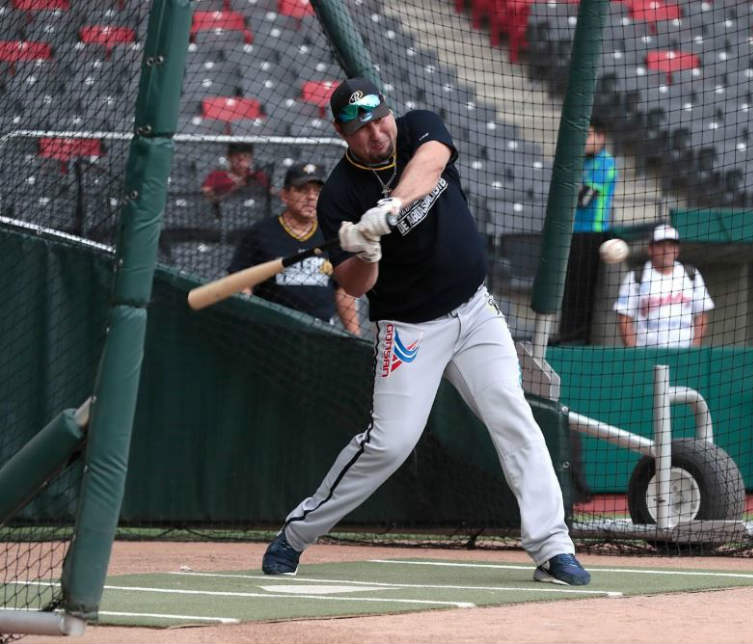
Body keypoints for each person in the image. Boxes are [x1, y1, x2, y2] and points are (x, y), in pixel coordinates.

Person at [260, 77, 590, 586]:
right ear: (341, 134)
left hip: (475, 312)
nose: (374, 133)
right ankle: (296, 535)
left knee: (514, 416)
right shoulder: (339, 197)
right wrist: (366, 251)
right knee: (389, 444)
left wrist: (387, 210)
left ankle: (552, 549)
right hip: (409, 329)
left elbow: (433, 160)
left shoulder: (418, 129)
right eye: (359, 128)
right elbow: (352, 282)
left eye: (377, 118)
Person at [227, 162, 360, 335]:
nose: (311, 197)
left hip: (321, 333)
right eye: (303, 190)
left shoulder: (333, 235)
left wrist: (355, 335)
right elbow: (241, 281)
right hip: (270, 332)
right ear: (284, 195)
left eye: (318, 192)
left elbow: (343, 290)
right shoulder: (261, 232)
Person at [558, 118, 617, 346]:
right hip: (573, 233)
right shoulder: (581, 162)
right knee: (568, 288)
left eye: (589, 134)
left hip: (592, 234)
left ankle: (578, 338)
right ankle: (566, 334)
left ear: (601, 136)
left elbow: (584, 199)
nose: (584, 140)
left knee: (583, 289)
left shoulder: (605, 163)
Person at [614, 224, 714, 348]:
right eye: (661, 245)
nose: (666, 250)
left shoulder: (691, 274)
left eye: (671, 245)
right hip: (647, 353)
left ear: (677, 250)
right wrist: (634, 351)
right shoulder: (636, 277)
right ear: (650, 249)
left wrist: (694, 347)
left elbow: (701, 315)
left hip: (683, 353)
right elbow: (624, 318)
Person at [201, 142, 270, 202]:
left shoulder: (257, 175)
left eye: (246, 157)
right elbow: (209, 197)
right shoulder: (216, 175)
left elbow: (272, 192)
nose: (242, 162)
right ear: (229, 158)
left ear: (251, 158)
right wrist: (233, 190)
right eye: (238, 158)